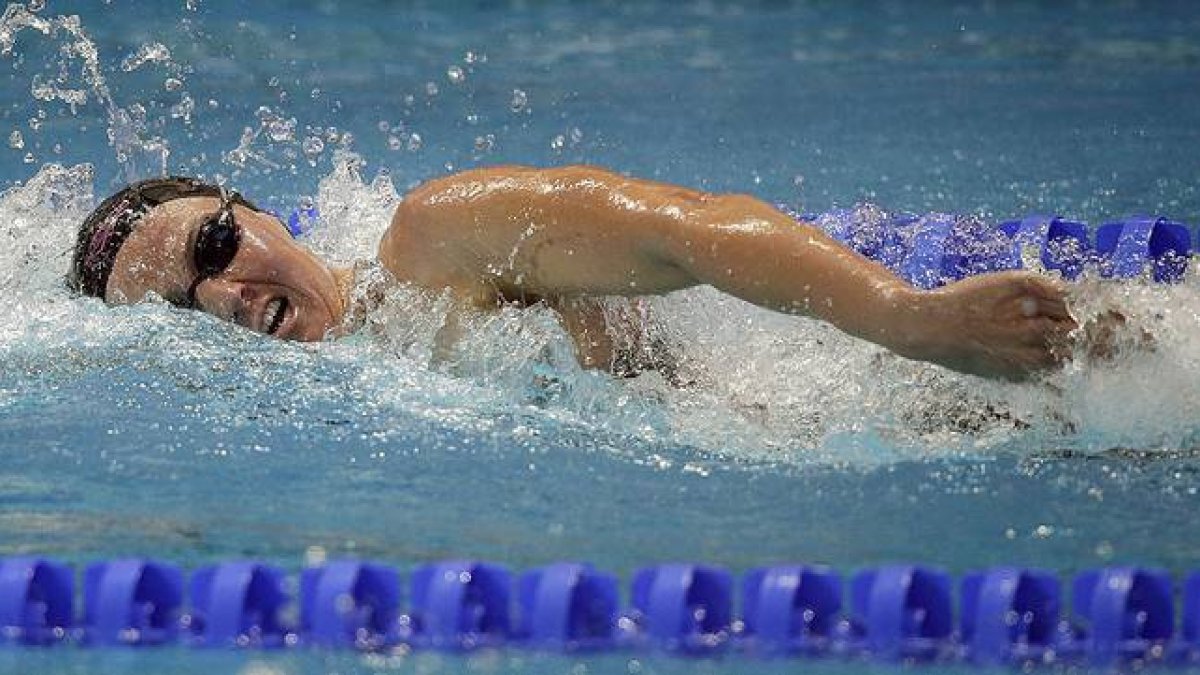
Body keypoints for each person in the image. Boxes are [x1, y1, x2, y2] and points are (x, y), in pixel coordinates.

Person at [68, 165, 1075, 380]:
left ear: (268, 213)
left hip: (931, 386)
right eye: (182, 308)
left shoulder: (434, 245)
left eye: (212, 249)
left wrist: (910, 320)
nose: (224, 297)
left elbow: (694, 229)